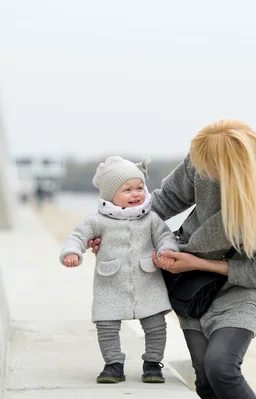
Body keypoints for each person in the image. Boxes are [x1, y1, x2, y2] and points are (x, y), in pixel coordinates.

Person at [88, 119, 256, 399]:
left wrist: (199, 263)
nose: (204, 172)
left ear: (237, 166)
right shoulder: (202, 158)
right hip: (192, 285)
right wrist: (114, 230)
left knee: (222, 369)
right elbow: (165, 200)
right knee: (204, 378)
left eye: (211, 169)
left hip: (246, 285)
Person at [59, 156, 179, 384]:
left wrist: (166, 251)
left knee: (155, 325)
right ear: (109, 195)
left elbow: (165, 237)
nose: (136, 194)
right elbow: (77, 236)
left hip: (147, 280)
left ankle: (153, 363)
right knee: (106, 325)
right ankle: (113, 364)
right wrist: (72, 252)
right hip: (110, 282)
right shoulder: (98, 220)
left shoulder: (151, 219)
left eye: (140, 188)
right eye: (127, 190)